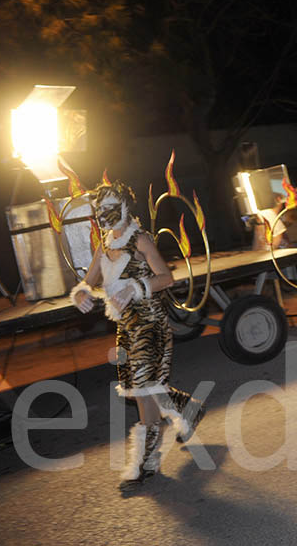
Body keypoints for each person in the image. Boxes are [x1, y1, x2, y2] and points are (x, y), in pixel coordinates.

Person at [70, 181, 206, 490]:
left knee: (145, 390)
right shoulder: (104, 245)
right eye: (98, 209)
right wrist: (80, 294)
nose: (102, 214)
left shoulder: (140, 240)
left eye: (107, 207)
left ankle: (146, 461)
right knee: (141, 387)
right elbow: (87, 281)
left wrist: (135, 287)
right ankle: (188, 408)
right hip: (126, 327)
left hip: (150, 324)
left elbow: (166, 278)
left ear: (123, 207)